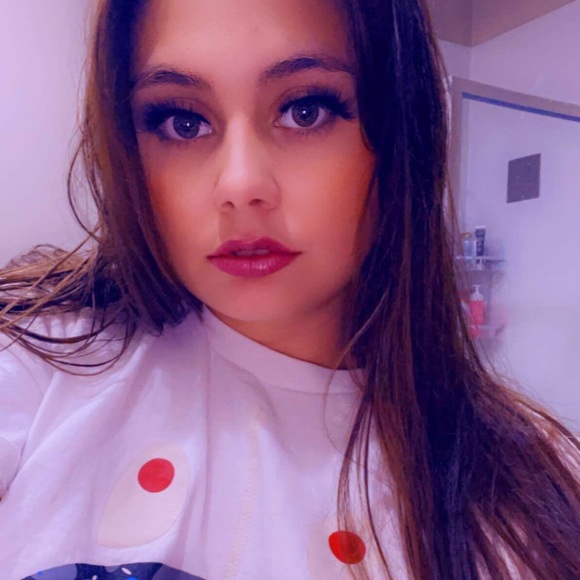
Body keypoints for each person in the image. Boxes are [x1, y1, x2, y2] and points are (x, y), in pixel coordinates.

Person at [0, 0, 578, 578]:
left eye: (305, 111)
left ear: (400, 133)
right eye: (183, 122)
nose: (240, 184)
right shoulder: (36, 362)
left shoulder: (530, 495)